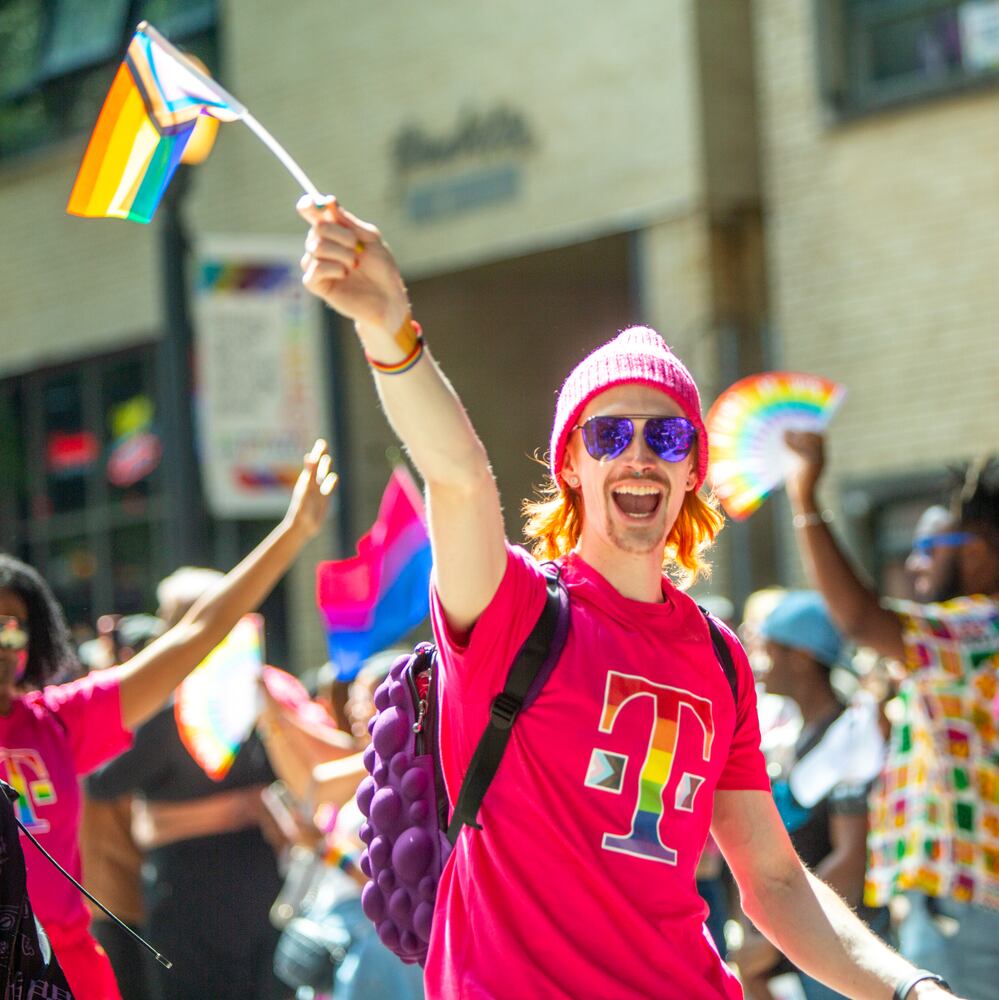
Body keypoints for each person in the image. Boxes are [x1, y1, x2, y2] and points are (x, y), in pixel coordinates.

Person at [297, 196, 958, 999]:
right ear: (570, 462)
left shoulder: (719, 658)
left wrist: (908, 989)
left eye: (667, 437)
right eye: (608, 434)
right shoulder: (513, 610)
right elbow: (458, 477)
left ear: (691, 472)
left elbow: (775, 883)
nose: (639, 455)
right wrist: (389, 328)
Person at [0, 440, 336, 1000]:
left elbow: (195, 635)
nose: (2, 643)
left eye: (13, 628)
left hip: (70, 976)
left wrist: (293, 533)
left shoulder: (58, 722)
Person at [785, 433, 999, 999]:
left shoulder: (982, 629)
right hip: (950, 911)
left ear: (977, 552)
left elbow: (859, 619)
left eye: (932, 546)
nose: (915, 561)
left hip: (970, 915)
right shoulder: (958, 650)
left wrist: (805, 497)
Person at [733, 591, 888, 1000]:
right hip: (800, 949)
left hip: (838, 956)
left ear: (801, 658)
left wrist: (775, 938)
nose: (759, 662)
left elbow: (850, 864)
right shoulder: (794, 733)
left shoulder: (852, 735)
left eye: (769, 650)